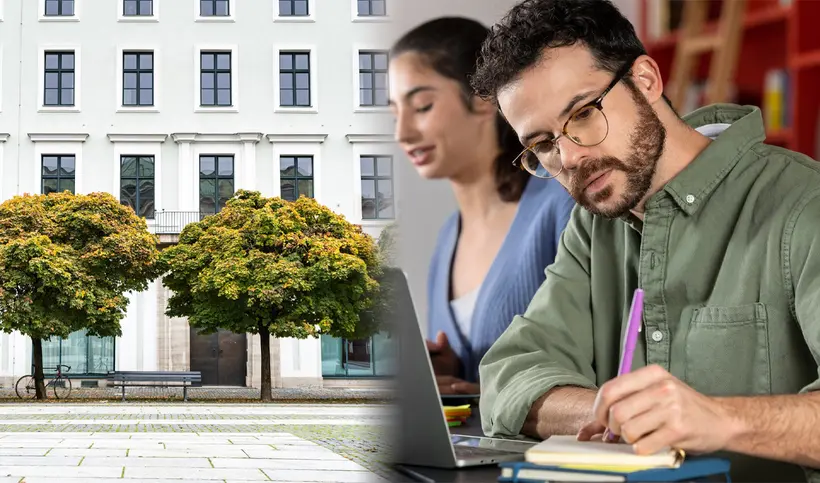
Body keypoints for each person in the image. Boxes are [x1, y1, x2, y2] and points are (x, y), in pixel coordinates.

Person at [469, 0, 820, 481]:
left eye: (584, 113)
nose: (568, 158)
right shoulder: (592, 228)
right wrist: (611, 412)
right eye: (543, 145)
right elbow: (509, 374)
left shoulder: (806, 204)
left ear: (647, 80)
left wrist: (718, 420)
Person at [388, 17, 576, 396]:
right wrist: (452, 368)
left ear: (485, 99)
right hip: (477, 451)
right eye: (395, 113)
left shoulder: (562, 201)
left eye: (422, 106)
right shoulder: (446, 240)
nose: (402, 133)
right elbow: (484, 375)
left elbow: (598, 361)